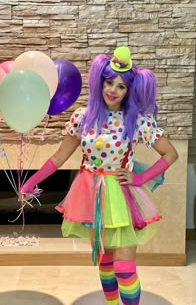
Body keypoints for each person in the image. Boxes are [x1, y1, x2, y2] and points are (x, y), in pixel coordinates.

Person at [21, 46, 178, 305]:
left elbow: (170, 154)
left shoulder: (137, 120)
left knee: (124, 270)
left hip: (121, 197)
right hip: (92, 197)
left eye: (121, 86)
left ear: (129, 91)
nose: (112, 90)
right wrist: (30, 181)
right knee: (105, 265)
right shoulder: (83, 117)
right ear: (100, 82)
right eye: (109, 82)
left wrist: (139, 179)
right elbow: (59, 157)